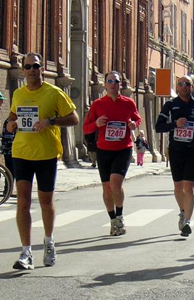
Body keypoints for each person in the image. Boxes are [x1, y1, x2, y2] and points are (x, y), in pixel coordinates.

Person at [7, 52, 79, 270]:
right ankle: (26, 252)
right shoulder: (18, 94)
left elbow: (74, 118)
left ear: (41, 69)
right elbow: (12, 118)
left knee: (46, 203)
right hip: (21, 153)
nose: (31, 70)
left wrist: (51, 121)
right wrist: (10, 125)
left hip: (46, 154)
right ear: (22, 70)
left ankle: (49, 242)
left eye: (35, 66)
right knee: (23, 202)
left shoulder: (54, 92)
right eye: (27, 67)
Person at [83, 71, 142, 236]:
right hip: (104, 150)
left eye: (116, 81)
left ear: (120, 85)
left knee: (116, 184)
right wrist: (96, 123)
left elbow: (137, 119)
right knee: (107, 189)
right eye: (110, 81)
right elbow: (86, 127)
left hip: (123, 149)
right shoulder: (98, 104)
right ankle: (112, 219)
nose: (113, 84)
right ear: (105, 85)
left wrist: (132, 124)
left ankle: (120, 216)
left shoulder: (128, 103)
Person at [155, 75, 194, 237]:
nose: (184, 86)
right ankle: (182, 211)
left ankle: (187, 221)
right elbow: (158, 127)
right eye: (181, 84)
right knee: (178, 187)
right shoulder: (171, 105)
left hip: (192, 150)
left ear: (192, 88)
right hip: (175, 151)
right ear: (177, 87)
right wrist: (174, 124)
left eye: (187, 84)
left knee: (189, 187)